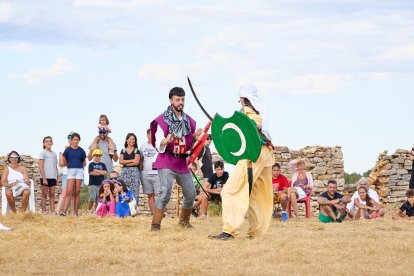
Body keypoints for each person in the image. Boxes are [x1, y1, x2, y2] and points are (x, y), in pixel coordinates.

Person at [209, 84, 274, 240]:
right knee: (254, 195)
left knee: (231, 190)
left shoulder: (248, 113)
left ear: (243, 98)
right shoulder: (259, 112)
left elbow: (252, 126)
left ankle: (229, 231)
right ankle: (256, 233)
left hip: (252, 156)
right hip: (265, 155)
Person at [150, 86, 197, 231]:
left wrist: (197, 140)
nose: (180, 102)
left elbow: (190, 144)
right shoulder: (161, 120)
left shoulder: (190, 122)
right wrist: (164, 141)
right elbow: (157, 141)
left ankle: (184, 222)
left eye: (182, 99)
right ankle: (155, 226)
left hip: (182, 162)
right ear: (171, 100)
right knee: (165, 192)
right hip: (166, 160)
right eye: (177, 99)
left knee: (191, 193)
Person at [61, 133, 86, 216]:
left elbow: (84, 162)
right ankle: (64, 211)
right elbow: (64, 160)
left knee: (77, 191)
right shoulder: (68, 150)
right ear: (71, 141)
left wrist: (79, 167)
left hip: (79, 171)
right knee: (69, 191)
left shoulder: (81, 150)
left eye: (77, 140)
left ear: (79, 140)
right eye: (74, 140)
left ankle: (75, 212)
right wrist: (69, 165)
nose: (75, 141)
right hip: (71, 170)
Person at [140, 129, 161, 215]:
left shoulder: (159, 146)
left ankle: (159, 213)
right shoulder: (142, 146)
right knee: (150, 195)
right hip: (145, 174)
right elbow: (140, 160)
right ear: (147, 135)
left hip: (157, 174)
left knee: (159, 195)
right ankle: (154, 214)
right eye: (151, 134)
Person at [119, 133, 141, 214]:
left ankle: (134, 211)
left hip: (134, 172)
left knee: (134, 191)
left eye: (133, 139)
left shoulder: (137, 150)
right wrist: (131, 160)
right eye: (130, 139)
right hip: (125, 173)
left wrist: (126, 163)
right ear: (127, 140)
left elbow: (136, 162)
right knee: (124, 190)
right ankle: (126, 211)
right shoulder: (123, 150)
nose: (132, 140)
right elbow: (120, 161)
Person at [39, 136, 59, 215]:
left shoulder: (54, 154)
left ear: (52, 143)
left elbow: (55, 166)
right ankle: (44, 212)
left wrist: (57, 177)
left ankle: (52, 212)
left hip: (53, 177)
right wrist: (44, 178)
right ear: (44, 143)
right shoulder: (42, 153)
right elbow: (41, 167)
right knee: (44, 194)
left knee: (52, 194)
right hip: (45, 177)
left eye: (50, 141)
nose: (48, 142)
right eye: (46, 141)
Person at [56, 131, 75, 214]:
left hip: (76, 174)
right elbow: (61, 163)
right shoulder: (63, 149)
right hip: (66, 173)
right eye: (69, 137)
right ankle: (57, 212)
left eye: (73, 138)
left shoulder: (78, 149)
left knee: (73, 194)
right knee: (65, 192)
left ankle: (73, 213)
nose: (71, 139)